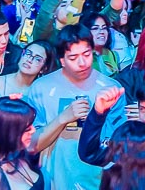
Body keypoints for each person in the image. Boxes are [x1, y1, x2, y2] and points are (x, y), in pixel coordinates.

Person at [25, 23, 125, 190]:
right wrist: (63, 118)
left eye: (86, 54)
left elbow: (117, 146)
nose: (82, 63)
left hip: (97, 180)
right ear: (62, 60)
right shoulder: (41, 88)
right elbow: (31, 145)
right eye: (73, 58)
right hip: (54, 180)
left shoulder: (110, 89)